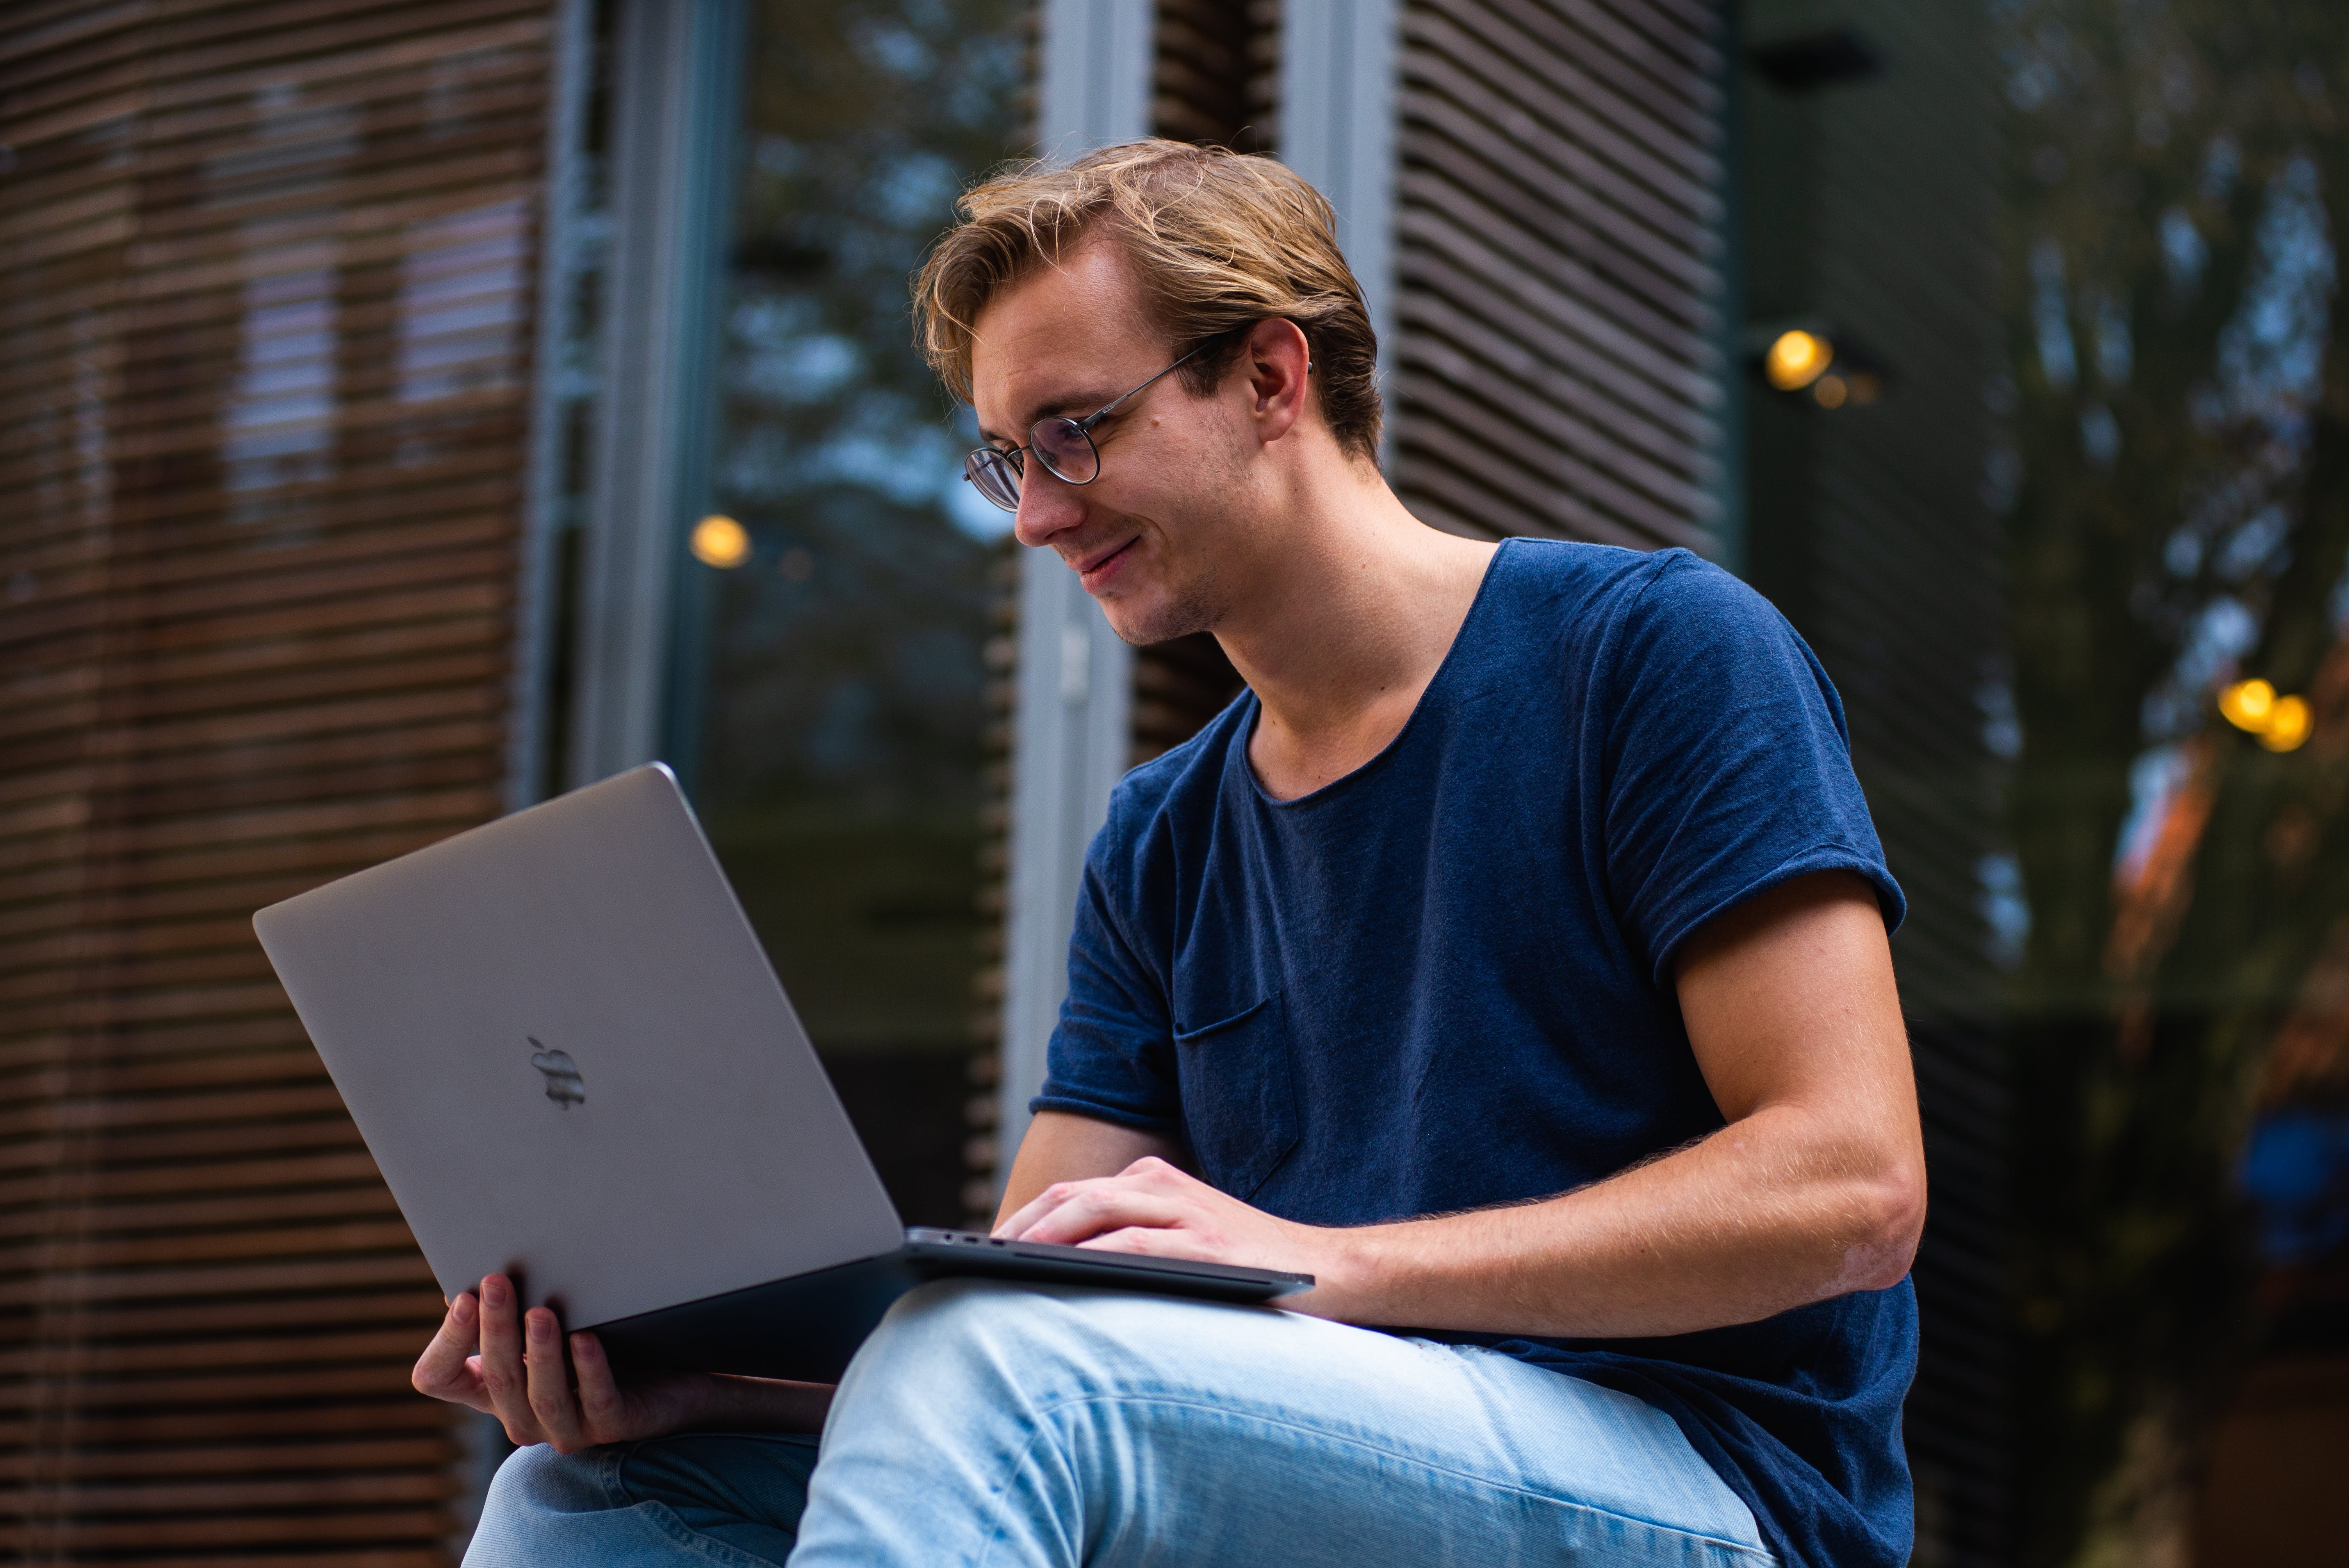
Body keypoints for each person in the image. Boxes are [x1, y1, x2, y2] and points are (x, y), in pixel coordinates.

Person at [438, 139, 1925, 1568]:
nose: (1034, 515)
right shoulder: (1166, 835)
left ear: (1272, 378)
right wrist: (706, 1393)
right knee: (580, 1499)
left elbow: (1852, 1192)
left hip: (1702, 1485)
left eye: (1077, 431)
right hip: (1321, 1459)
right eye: (1008, 460)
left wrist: (1325, 1266)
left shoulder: (1651, 657)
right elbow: (1022, 1314)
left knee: (1002, 1360)